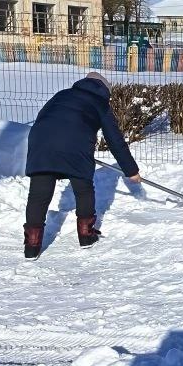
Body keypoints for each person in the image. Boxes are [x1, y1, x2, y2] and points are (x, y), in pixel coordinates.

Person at [23, 72, 141, 259]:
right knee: (83, 187)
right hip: (75, 145)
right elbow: (115, 140)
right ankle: (86, 235)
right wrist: (131, 171)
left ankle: (31, 246)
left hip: (41, 141)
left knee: (38, 194)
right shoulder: (100, 104)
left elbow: (43, 116)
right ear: (105, 90)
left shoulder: (62, 94)